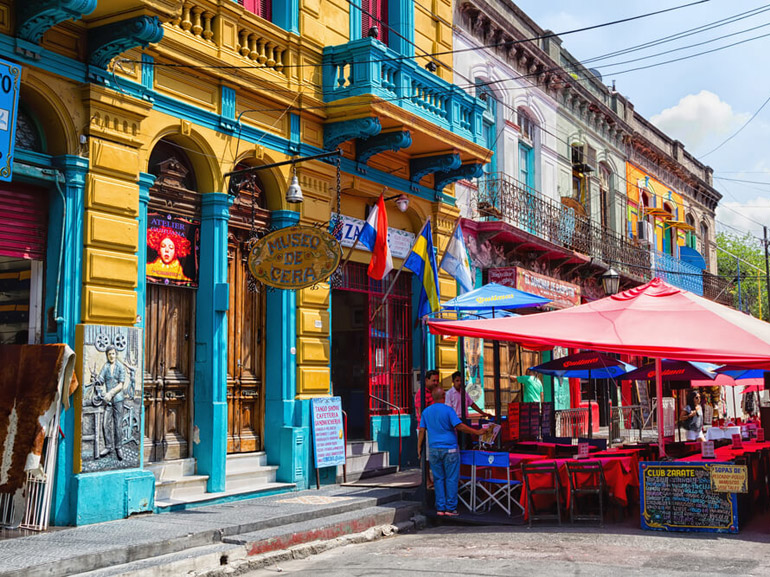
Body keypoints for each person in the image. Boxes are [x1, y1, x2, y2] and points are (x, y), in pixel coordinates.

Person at [418, 386, 484, 516]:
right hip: (450, 449)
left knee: (438, 479)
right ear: (444, 397)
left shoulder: (426, 412)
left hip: (434, 449)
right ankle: (450, 508)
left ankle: (440, 508)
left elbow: (421, 430)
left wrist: (419, 447)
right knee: (451, 479)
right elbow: (459, 426)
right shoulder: (449, 410)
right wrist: (476, 432)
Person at [97, 345, 129, 459]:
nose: (111, 356)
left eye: (113, 353)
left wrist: (110, 393)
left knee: (118, 424)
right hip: (108, 401)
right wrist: (96, 381)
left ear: (116, 354)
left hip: (118, 399)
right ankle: (108, 446)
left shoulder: (120, 367)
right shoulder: (105, 367)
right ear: (107, 355)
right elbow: (100, 379)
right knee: (105, 423)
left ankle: (118, 447)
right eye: (109, 354)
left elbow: (121, 384)